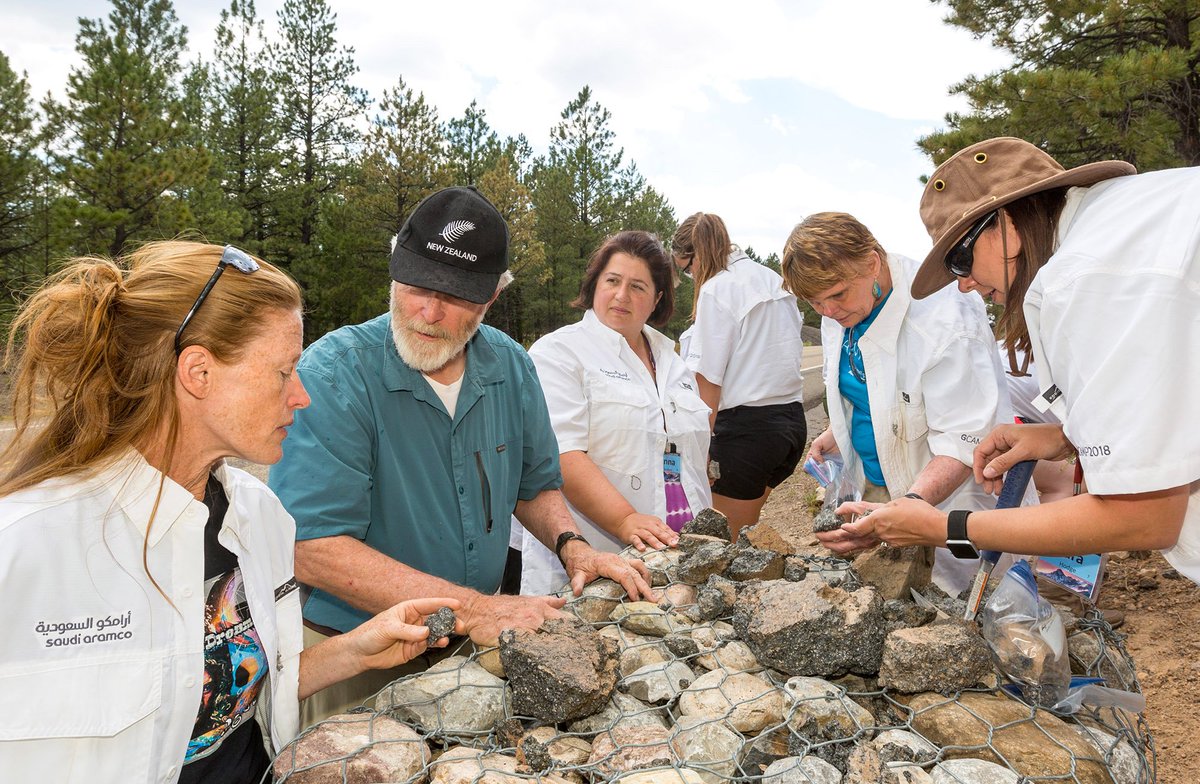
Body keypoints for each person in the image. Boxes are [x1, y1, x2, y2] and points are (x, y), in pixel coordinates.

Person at [0, 242, 461, 784]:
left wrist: (356, 650)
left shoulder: (259, 515)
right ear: (198, 372)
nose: (302, 395)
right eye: (284, 371)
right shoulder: (26, 547)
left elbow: (228, 694)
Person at [268, 186, 655, 722]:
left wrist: (573, 546)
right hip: (358, 652)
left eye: (454, 296)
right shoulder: (335, 373)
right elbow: (311, 546)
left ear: (492, 296)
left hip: (474, 641)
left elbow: (534, 484)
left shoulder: (512, 367)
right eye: (414, 286)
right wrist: (473, 609)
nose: (427, 312)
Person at [820, 137, 1200, 588]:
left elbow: (1142, 516)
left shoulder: (1084, 280)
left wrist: (944, 527)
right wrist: (1063, 438)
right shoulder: (1131, 223)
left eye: (960, 261)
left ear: (1005, 222)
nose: (963, 286)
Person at [782, 212, 1028, 594]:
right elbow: (870, 380)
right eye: (815, 303)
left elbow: (966, 440)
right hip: (883, 487)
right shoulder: (844, 303)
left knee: (967, 611)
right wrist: (840, 428)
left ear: (872, 262)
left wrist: (910, 507)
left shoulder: (945, 318)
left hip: (953, 502)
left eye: (836, 296)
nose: (828, 312)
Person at [518, 231, 712, 595]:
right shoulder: (559, 354)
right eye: (612, 281)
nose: (622, 295)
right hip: (593, 565)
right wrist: (625, 520)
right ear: (594, 285)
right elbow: (562, 455)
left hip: (677, 556)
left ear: (657, 299)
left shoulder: (673, 362)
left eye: (638, 287)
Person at [671, 212, 807, 535]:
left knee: (722, 544)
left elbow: (708, 383)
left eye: (687, 269)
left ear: (698, 256)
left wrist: (698, 453)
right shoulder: (772, 279)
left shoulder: (717, 290)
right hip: (791, 425)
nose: (691, 277)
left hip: (746, 435)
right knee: (747, 531)